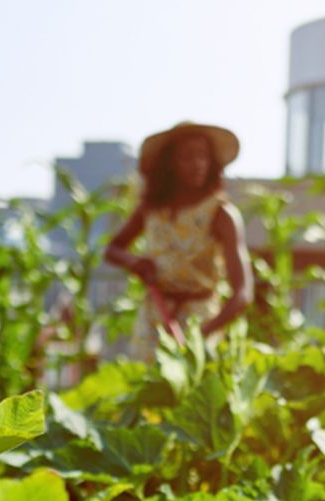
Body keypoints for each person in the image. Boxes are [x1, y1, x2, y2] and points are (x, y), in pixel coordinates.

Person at [104, 121, 253, 360]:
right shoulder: (151, 210)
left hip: (200, 321)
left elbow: (242, 294)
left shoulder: (221, 214)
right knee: (146, 391)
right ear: (170, 164)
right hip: (155, 318)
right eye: (187, 157)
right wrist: (135, 263)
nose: (197, 164)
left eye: (203, 156)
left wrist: (203, 333)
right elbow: (112, 249)